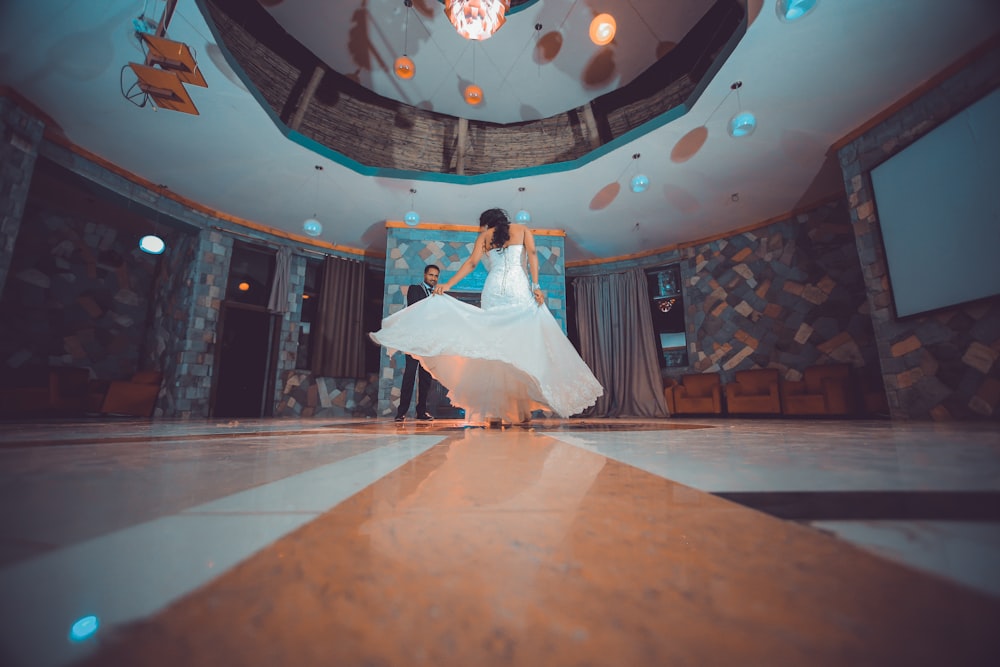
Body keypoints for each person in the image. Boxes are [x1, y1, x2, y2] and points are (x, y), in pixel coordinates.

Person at [370, 208, 602, 424]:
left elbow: (471, 264)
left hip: (493, 291)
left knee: (494, 350)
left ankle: (497, 411)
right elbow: (532, 256)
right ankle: (518, 411)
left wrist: (448, 284)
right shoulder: (522, 230)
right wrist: (536, 286)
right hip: (517, 287)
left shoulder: (484, 237)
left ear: (487, 223)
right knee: (518, 346)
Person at [394, 264, 440, 422]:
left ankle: (421, 412)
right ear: (425, 275)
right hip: (414, 340)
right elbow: (416, 309)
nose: (433, 278)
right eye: (431, 275)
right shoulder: (415, 289)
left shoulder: (438, 294)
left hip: (429, 342)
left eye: (436, 276)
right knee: (409, 375)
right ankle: (401, 412)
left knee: (426, 377)